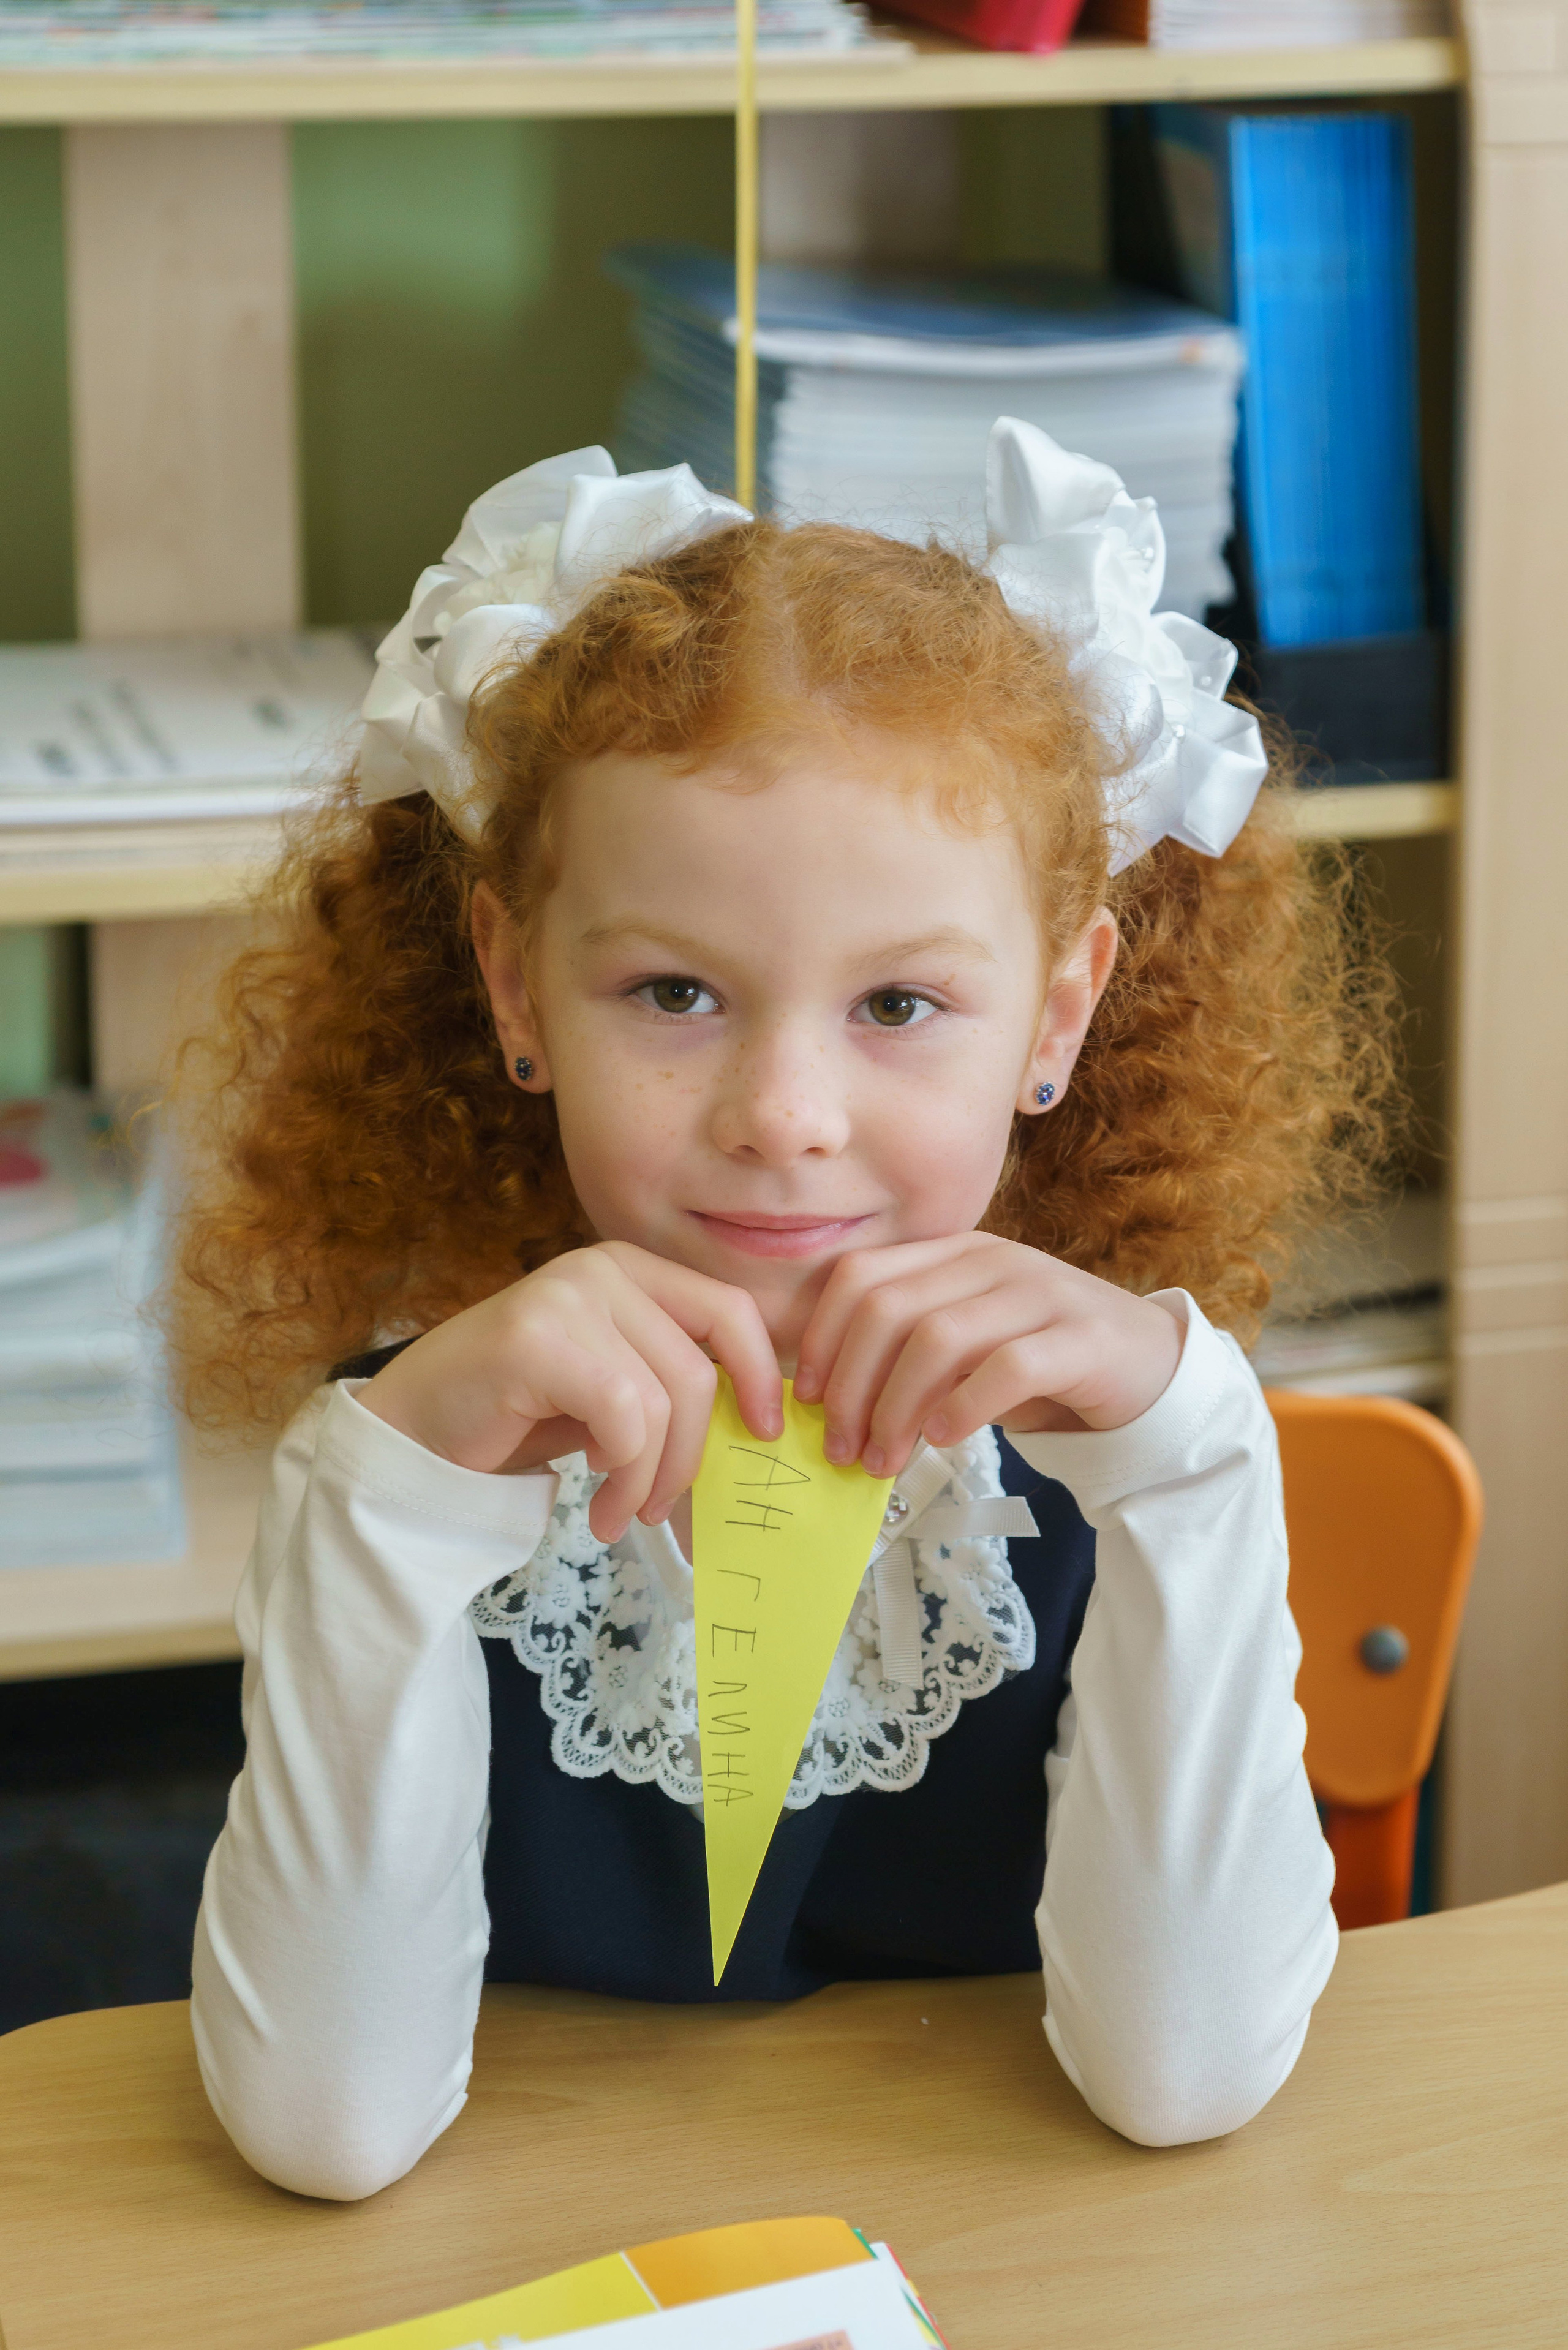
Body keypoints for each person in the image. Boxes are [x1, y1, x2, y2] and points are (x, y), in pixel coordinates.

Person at [171, 421, 1398, 2202]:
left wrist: (1194, 1454)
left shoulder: (1115, 1455)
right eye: (677, 990)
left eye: (901, 1006)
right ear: (518, 983)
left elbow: (1182, 2077)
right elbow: (329, 2128)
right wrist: (391, 1495)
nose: (786, 1112)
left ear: (1056, 1015)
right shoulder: (421, 1454)